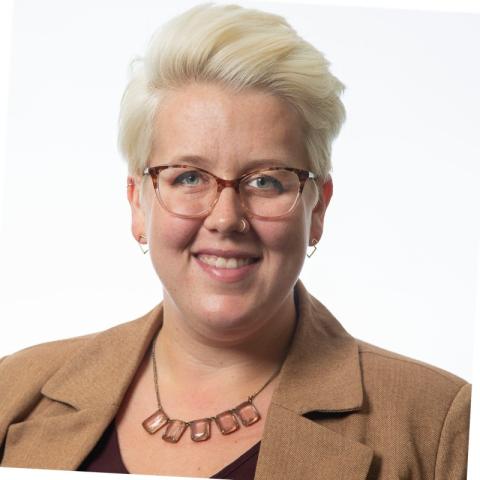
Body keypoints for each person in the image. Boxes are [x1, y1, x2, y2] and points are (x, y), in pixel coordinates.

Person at [0, 3, 470, 479]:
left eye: (266, 181)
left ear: (318, 208)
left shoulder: (439, 424)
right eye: (188, 177)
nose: (226, 219)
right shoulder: (13, 391)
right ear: (138, 205)